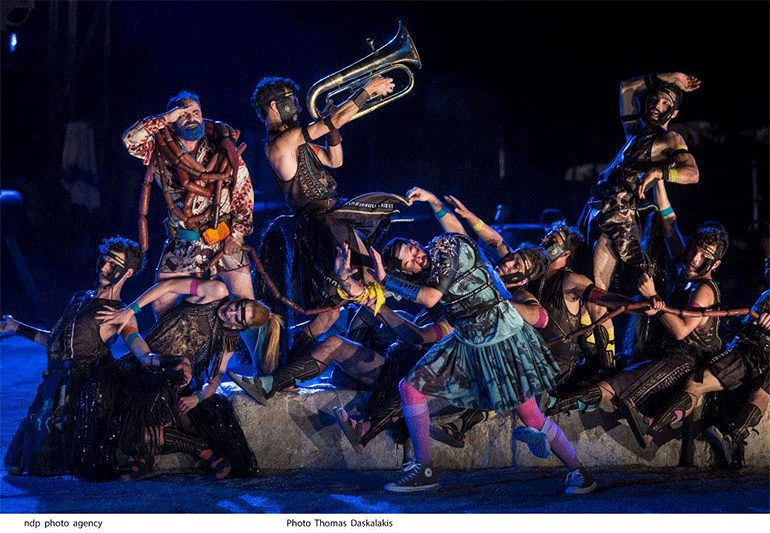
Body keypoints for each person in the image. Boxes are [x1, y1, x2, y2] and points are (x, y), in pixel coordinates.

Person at [366, 189, 597, 494]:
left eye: (410, 249)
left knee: (530, 416)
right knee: (410, 388)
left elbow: (444, 277)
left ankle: (580, 472)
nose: (414, 256)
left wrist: (434, 203)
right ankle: (425, 468)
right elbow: (473, 242)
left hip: (502, 336)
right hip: (469, 337)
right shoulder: (436, 269)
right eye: (406, 261)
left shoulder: (446, 249)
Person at [551, 183, 728, 450]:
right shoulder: (687, 265)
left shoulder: (703, 290)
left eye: (704, 257)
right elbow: (669, 224)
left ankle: (550, 412)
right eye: (695, 249)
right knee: (615, 373)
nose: (694, 258)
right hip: (668, 352)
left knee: (616, 383)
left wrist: (652, 295)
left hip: (688, 359)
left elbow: (681, 331)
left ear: (715, 264)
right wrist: (659, 180)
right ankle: (554, 406)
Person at [251, 75, 399, 363]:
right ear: (274, 106)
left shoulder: (295, 141)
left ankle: (289, 364)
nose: (297, 106)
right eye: (290, 100)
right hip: (322, 224)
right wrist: (367, 89)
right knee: (350, 294)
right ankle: (292, 366)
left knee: (336, 307)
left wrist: (333, 126)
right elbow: (334, 120)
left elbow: (335, 160)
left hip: (333, 218)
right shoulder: (281, 143)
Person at [96, 277, 281, 479]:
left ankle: (147, 458)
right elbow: (168, 286)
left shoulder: (229, 340)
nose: (230, 312)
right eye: (237, 307)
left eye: (237, 318)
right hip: (145, 360)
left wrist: (198, 397)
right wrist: (131, 310)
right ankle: (198, 450)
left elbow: (217, 377)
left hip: (171, 375)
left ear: (238, 327)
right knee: (114, 403)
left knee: (162, 406)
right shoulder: (216, 292)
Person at [578, 72, 701, 368]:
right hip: (595, 211)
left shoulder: (670, 138)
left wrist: (661, 172)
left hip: (618, 219)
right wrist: (670, 76)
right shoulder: (635, 131)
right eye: (655, 99)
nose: (657, 105)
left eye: (666, 103)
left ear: (674, 113)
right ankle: (593, 359)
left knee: (597, 292)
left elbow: (693, 174)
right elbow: (627, 88)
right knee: (583, 286)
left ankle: (605, 366)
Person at [3, 237, 146, 478]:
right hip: (52, 384)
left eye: (113, 264)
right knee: (13, 464)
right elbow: (56, 341)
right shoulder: (81, 298)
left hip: (80, 391)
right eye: (104, 260)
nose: (103, 267)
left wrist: (148, 357)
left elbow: (134, 339)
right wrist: (17, 327)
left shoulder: (119, 312)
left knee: (46, 466)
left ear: (128, 272)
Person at [122, 91, 256, 320]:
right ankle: (170, 344)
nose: (191, 117)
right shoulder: (159, 150)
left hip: (223, 238)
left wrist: (238, 235)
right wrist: (166, 118)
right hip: (183, 242)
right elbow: (131, 140)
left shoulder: (222, 149)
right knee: (161, 305)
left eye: (195, 112)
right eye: (183, 115)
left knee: (247, 306)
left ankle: (254, 345)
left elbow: (244, 191)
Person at [647, 291, 770, 467]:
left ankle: (652, 428)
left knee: (760, 390)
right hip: (752, 352)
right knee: (698, 382)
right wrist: (754, 320)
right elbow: (747, 319)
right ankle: (655, 427)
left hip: (757, 357)